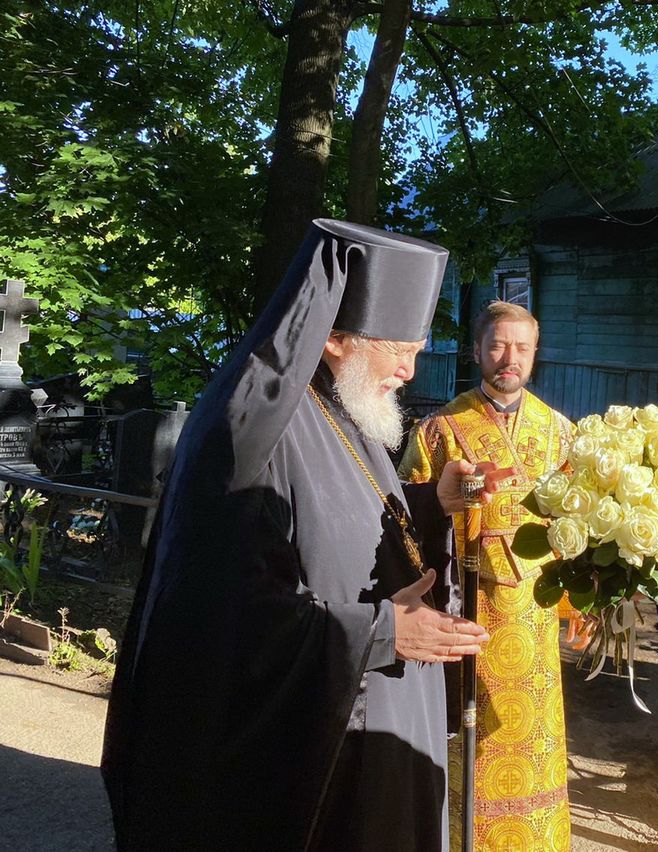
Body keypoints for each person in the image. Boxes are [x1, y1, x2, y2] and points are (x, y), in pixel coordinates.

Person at [101, 220, 509, 851]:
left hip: (383, 717)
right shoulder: (250, 433)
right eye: (398, 348)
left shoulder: (345, 404)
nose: (409, 369)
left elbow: (347, 517)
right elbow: (221, 611)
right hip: (319, 753)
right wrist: (380, 630)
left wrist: (434, 502)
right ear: (337, 339)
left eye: (419, 347)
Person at [399, 300, 575, 851]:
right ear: (477, 351)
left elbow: (577, 530)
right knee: (468, 742)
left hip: (535, 617)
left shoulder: (561, 433)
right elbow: (403, 524)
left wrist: (578, 603)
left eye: (522, 347)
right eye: (498, 345)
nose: (509, 358)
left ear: (535, 354)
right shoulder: (439, 430)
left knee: (533, 740)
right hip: (466, 607)